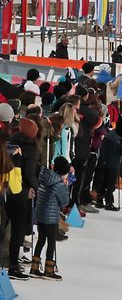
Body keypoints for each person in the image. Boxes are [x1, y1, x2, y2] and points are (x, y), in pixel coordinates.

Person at [7, 117, 39, 281]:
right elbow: (29, 174)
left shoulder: (9, 145)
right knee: (18, 231)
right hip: (21, 192)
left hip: (5, 189)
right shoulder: (31, 149)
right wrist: (36, 188)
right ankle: (13, 265)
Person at [31, 156, 71, 280]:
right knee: (51, 242)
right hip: (51, 217)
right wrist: (66, 186)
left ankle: (35, 267)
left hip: (41, 214)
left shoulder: (45, 177)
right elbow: (65, 201)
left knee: (41, 240)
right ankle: (49, 269)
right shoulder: (59, 183)